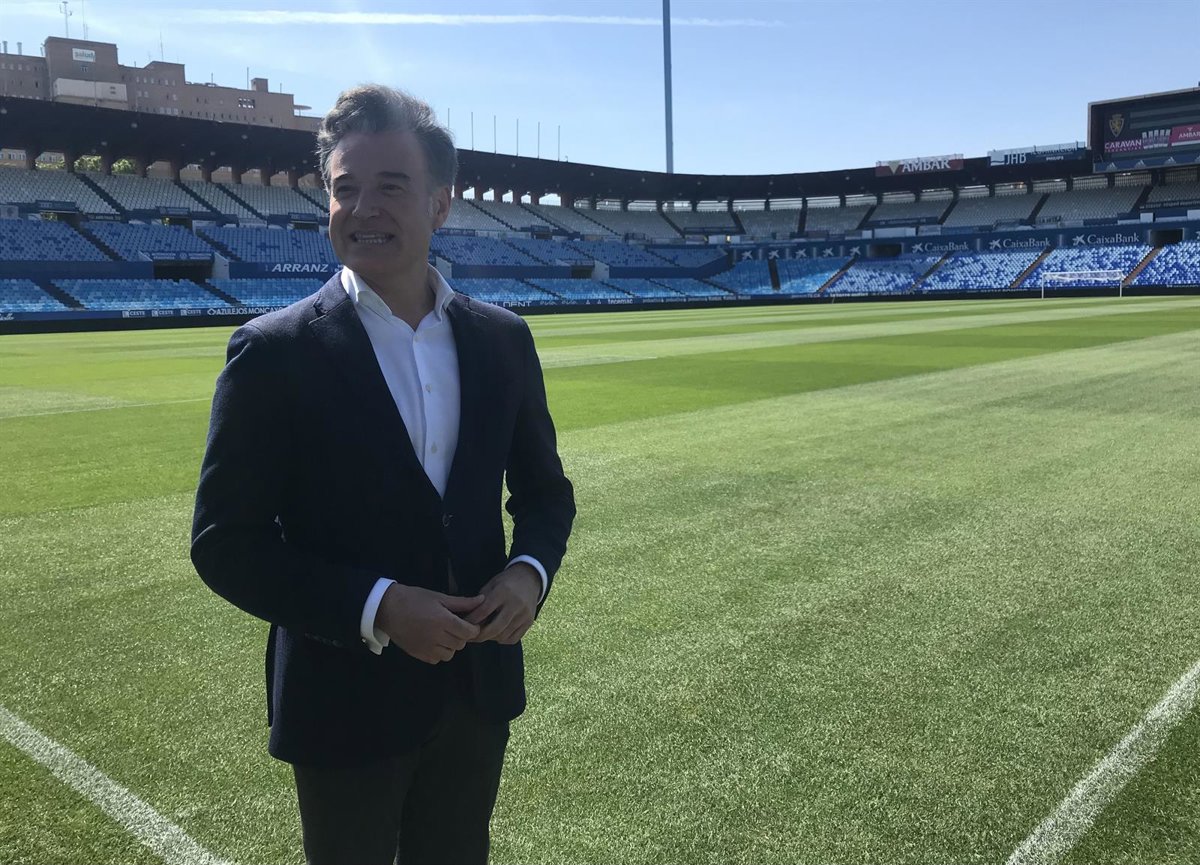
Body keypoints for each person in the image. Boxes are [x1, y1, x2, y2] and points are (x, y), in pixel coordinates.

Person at [191, 83, 575, 865]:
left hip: (476, 692)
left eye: (391, 187)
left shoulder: (502, 340)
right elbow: (224, 543)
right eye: (346, 188)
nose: (363, 208)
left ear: (440, 204)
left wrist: (528, 573)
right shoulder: (273, 354)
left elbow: (545, 494)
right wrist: (380, 606)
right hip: (343, 701)